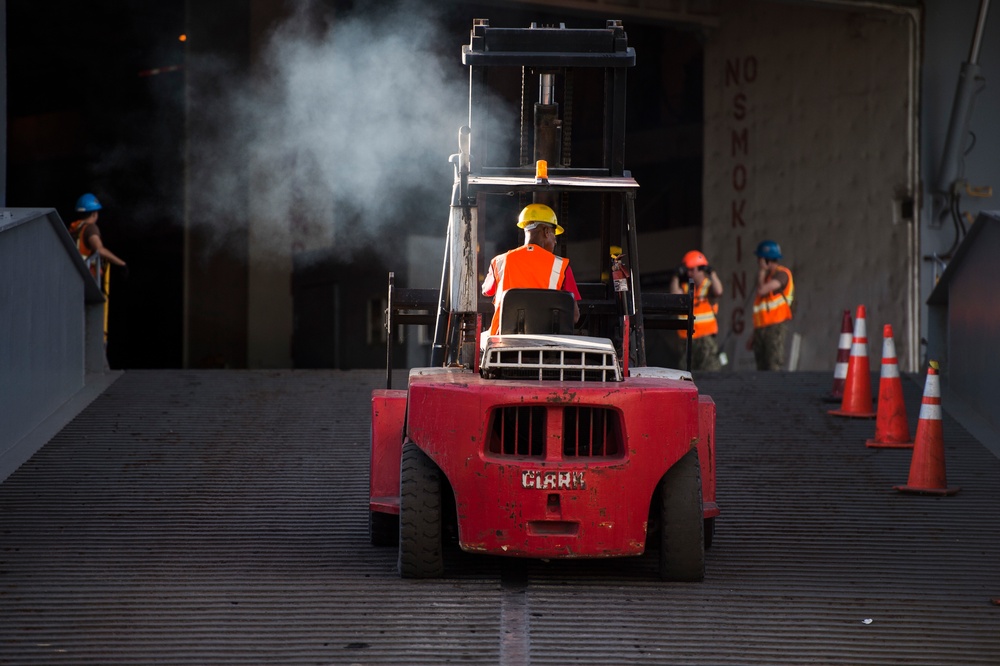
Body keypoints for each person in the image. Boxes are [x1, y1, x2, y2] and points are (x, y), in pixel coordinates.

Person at [481, 203, 581, 336]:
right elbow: (574, 317)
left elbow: (487, 291)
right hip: (548, 343)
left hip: (503, 343)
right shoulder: (562, 266)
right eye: (554, 236)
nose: (555, 241)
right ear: (546, 231)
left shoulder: (499, 262)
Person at [670, 250, 724, 371]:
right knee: (686, 376)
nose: (689, 273)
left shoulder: (709, 287)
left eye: (692, 270)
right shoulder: (685, 288)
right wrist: (676, 276)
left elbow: (719, 291)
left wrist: (712, 273)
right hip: (686, 341)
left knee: (710, 374)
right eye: (687, 270)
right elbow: (674, 296)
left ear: (701, 269)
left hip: (706, 341)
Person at [750, 239, 794, 371]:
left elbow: (762, 290)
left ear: (766, 260)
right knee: (761, 365)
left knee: (773, 364)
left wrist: (762, 270)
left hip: (775, 327)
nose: (758, 262)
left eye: (760, 259)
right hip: (761, 328)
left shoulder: (782, 274)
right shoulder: (767, 277)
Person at [68, 193, 127, 279]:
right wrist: (122, 264)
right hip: (87, 277)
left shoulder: (74, 229)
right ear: (94, 213)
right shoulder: (91, 228)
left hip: (74, 274)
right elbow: (99, 250)